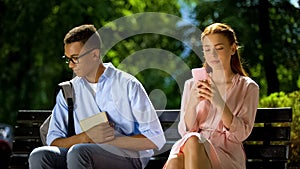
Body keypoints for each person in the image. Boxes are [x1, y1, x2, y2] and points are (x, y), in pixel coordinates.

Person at [28, 24, 166, 169]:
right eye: (68, 59)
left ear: (95, 54)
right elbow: (54, 141)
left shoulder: (128, 85)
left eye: (75, 58)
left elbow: (155, 139)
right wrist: (86, 137)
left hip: (127, 157)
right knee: (40, 155)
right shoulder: (69, 91)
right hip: (81, 154)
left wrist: (109, 140)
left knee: (79, 151)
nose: (70, 65)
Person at [163, 23, 259, 169]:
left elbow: (240, 134)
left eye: (219, 48)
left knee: (192, 143)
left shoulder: (248, 87)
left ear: (233, 49)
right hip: (192, 147)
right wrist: (192, 103)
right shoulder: (192, 85)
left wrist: (219, 102)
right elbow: (185, 131)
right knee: (179, 156)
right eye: (207, 49)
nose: (212, 55)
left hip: (227, 155)